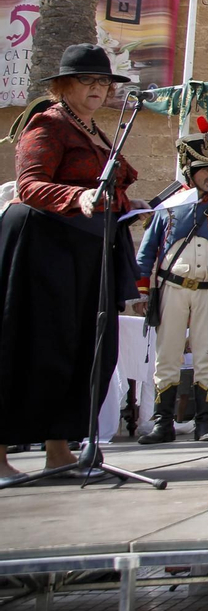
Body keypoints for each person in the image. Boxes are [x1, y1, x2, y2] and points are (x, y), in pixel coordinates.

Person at [0, 46, 145, 478]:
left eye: (103, 82)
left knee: (77, 346)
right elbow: (29, 185)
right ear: (63, 85)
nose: (98, 89)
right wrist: (77, 196)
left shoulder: (94, 130)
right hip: (42, 249)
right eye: (89, 81)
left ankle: (59, 449)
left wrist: (126, 203)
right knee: (29, 344)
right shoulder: (47, 124)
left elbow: (100, 188)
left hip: (85, 249)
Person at [136, 118, 208, 443]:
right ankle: (163, 422)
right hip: (172, 289)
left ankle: (205, 422)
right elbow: (146, 255)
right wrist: (142, 292)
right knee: (169, 355)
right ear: (190, 171)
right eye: (204, 169)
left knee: (206, 356)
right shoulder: (167, 210)